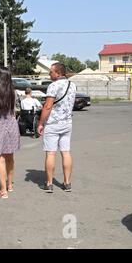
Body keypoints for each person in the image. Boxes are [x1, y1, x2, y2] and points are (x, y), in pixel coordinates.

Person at [37, 63, 76, 193]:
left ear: (58, 73)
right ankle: (67, 183)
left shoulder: (53, 86)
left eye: (51, 72)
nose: (49, 74)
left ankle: (49, 183)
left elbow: (48, 106)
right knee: (66, 152)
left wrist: (41, 123)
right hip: (67, 123)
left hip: (53, 123)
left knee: (51, 153)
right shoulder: (72, 85)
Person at [0, 67, 20, 199]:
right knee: (10, 158)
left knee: (0, 160)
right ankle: (10, 185)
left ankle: (3, 191)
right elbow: (14, 111)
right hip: (11, 125)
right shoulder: (14, 93)